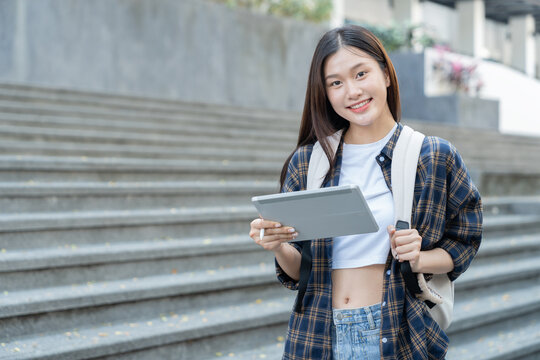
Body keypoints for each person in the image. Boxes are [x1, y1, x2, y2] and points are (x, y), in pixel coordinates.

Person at [249, 25, 482, 360]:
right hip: (316, 335)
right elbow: (301, 271)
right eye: (336, 83)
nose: (352, 91)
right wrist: (278, 244)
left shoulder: (433, 156)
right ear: (325, 92)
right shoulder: (309, 162)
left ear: (385, 74)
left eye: (361, 74)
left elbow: (465, 242)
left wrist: (417, 258)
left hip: (396, 333)